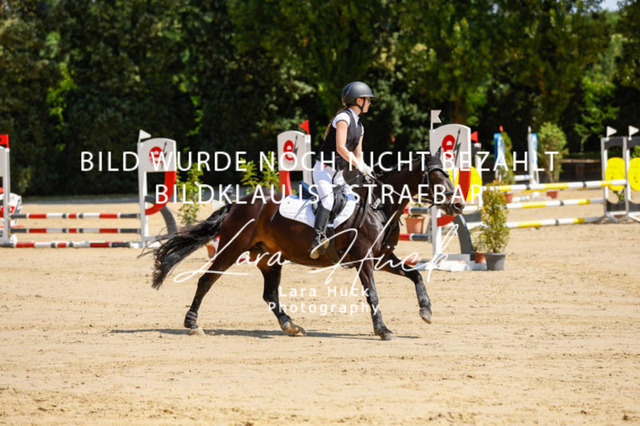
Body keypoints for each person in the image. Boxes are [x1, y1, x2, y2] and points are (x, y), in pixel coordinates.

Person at [309, 81, 375, 259]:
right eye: (368, 100)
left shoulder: (360, 127)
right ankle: (317, 239)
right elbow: (340, 148)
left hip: (338, 174)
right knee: (328, 200)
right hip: (323, 170)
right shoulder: (343, 118)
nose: (369, 103)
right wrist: (359, 165)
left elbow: (358, 154)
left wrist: (366, 169)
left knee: (353, 200)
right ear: (358, 100)